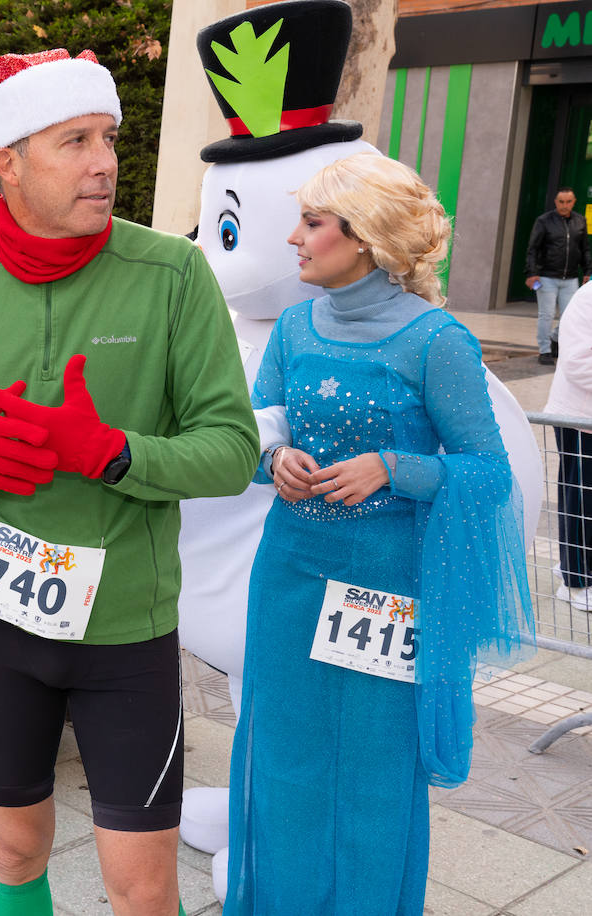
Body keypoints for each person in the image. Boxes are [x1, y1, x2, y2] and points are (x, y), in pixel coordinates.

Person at [0, 48, 259, 914]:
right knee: (12, 845)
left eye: (108, 138)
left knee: (142, 885)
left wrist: (115, 453)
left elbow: (230, 451)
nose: (106, 162)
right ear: (9, 161)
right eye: (74, 141)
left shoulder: (172, 275)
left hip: (128, 630)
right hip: (0, 619)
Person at [230, 153, 533, 914]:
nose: (294, 237)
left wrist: (391, 468)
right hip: (290, 574)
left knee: (372, 764)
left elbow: (490, 473)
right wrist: (274, 459)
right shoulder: (296, 325)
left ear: (363, 238)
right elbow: (256, 428)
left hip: (384, 588)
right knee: (283, 755)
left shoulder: (438, 341)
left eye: (312, 222)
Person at [544, 284, 592, 612]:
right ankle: (575, 580)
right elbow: (578, 363)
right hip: (579, 418)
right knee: (581, 500)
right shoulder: (588, 298)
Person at [525, 186, 590, 364]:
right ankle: (544, 350)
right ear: (556, 202)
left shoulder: (580, 221)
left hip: (570, 278)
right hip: (546, 277)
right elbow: (533, 249)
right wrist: (532, 273)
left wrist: (587, 271)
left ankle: (555, 338)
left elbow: (584, 249)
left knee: (570, 315)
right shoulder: (544, 221)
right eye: (561, 202)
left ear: (574, 202)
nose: (564, 205)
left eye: (568, 202)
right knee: (546, 315)